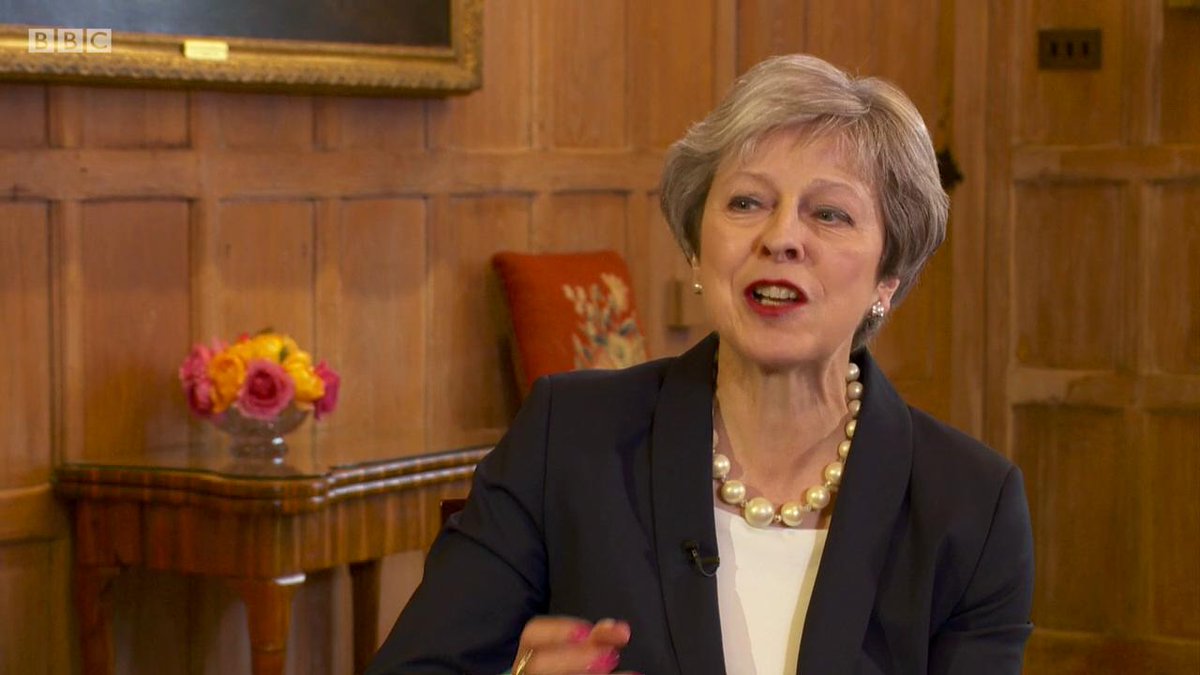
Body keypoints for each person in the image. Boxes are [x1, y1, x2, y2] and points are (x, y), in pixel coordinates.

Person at [368, 53, 1034, 675]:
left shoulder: (969, 506)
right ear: (695, 245)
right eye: (747, 202)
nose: (780, 238)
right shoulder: (566, 439)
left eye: (830, 214)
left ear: (889, 274)